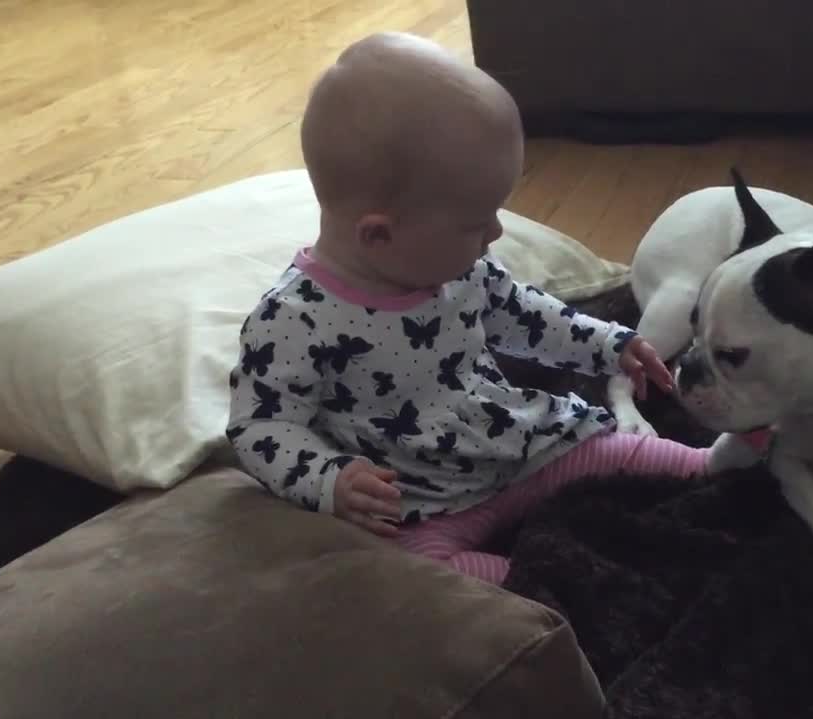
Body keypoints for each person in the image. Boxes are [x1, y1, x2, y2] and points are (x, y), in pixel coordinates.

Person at [225, 31, 710, 585]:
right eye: (477, 223)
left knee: (612, 448)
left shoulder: (459, 267)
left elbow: (527, 316)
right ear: (380, 235)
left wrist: (607, 344)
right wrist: (328, 479)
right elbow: (261, 423)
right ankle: (536, 581)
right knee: (419, 577)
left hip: (517, 446)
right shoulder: (292, 320)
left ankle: (712, 467)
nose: (496, 233)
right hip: (420, 503)